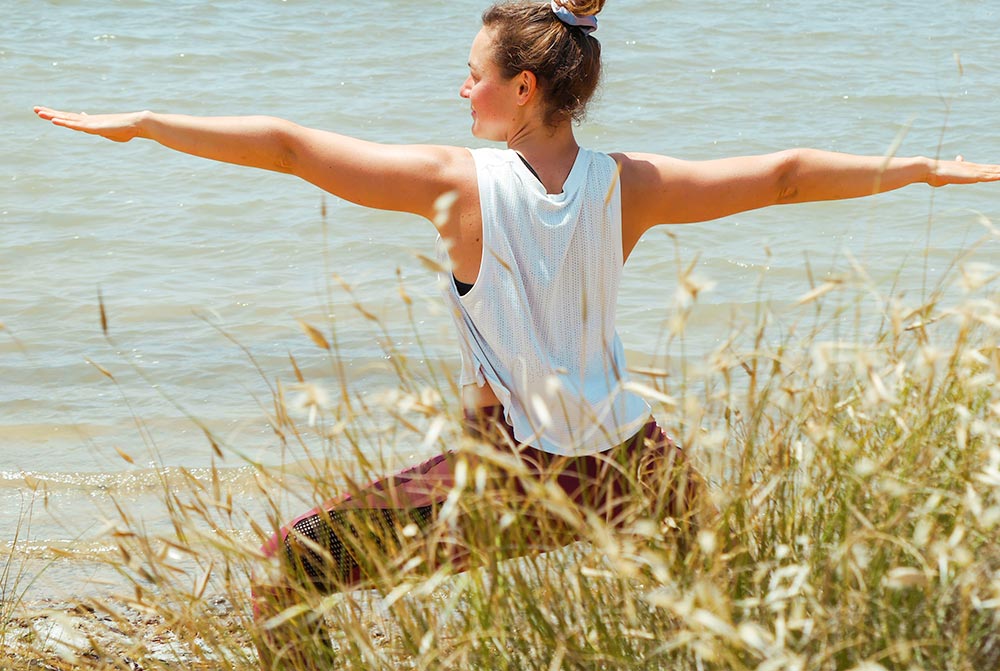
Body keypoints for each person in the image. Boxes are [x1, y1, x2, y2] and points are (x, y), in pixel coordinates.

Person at [34, 0, 1000, 668]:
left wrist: (151, 123)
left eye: (473, 76)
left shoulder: (456, 184)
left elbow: (287, 148)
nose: (464, 92)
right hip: (636, 456)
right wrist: (922, 167)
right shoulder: (631, 183)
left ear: (526, 87)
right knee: (732, 605)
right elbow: (787, 172)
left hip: (523, 467)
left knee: (290, 563)